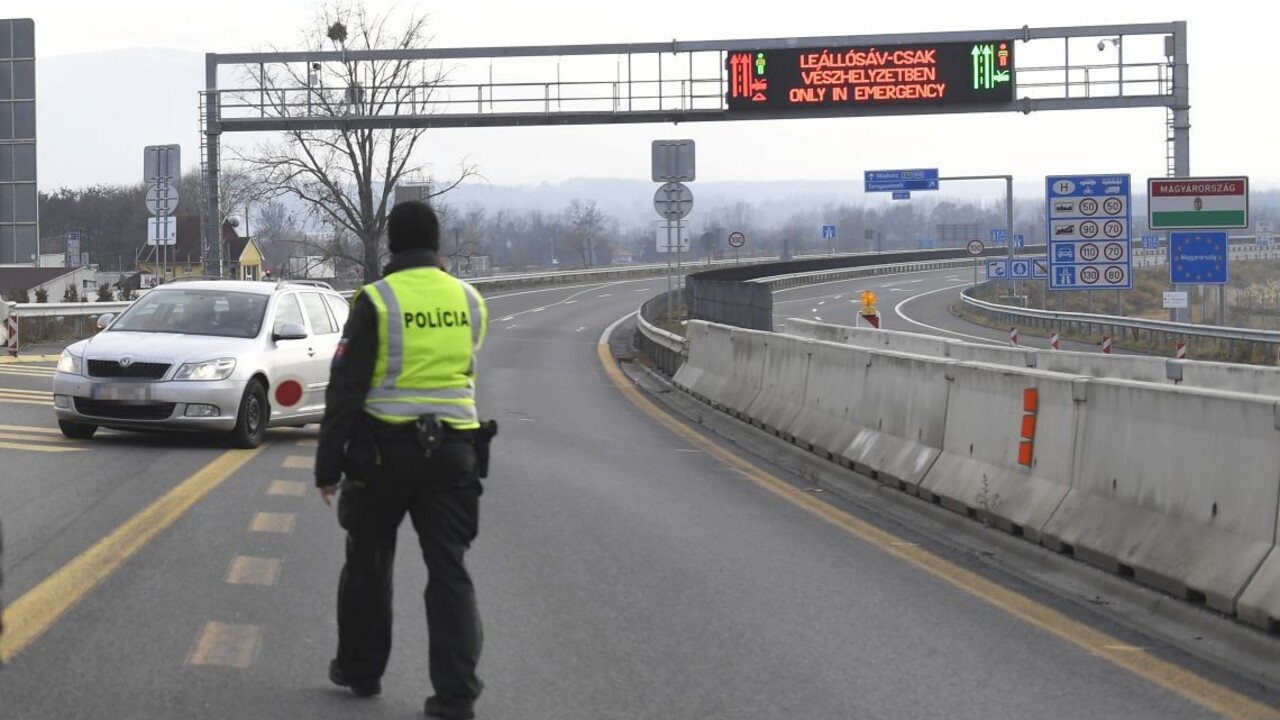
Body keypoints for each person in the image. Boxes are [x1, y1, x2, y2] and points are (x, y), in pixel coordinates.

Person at [315, 200, 492, 720]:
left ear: (391, 243)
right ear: (437, 244)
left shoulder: (376, 299)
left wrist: (328, 467)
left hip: (384, 456)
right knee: (449, 571)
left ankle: (360, 670)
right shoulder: (469, 300)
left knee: (368, 562)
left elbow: (346, 390)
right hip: (456, 454)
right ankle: (456, 696)